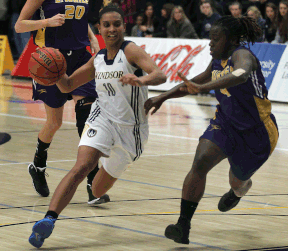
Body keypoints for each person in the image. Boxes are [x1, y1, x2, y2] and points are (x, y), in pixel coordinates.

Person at [28, 5, 166, 248]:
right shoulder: (99, 58)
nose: (112, 29)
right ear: (99, 29)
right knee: (81, 167)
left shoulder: (131, 50)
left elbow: (159, 74)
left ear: (124, 26)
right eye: (107, 25)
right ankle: (48, 220)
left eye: (117, 24)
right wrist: (52, 72)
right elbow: (68, 85)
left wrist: (141, 79)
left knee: (100, 188)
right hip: (102, 118)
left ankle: (103, 168)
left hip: (131, 129)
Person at [145, 15, 279, 244]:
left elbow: (241, 74)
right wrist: (164, 96)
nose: (210, 44)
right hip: (225, 123)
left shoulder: (242, 55)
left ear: (231, 40)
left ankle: (238, 192)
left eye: (216, 39)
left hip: (257, 133)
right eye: (210, 39)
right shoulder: (217, 59)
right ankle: (183, 226)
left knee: (237, 181)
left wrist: (204, 87)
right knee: (200, 161)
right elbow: (196, 81)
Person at [14, 0, 108, 205]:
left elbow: (79, 21)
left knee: (87, 117)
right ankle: (38, 165)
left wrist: (92, 37)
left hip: (80, 58)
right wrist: (47, 21)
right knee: (54, 123)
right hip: (50, 59)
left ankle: (93, 183)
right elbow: (19, 25)